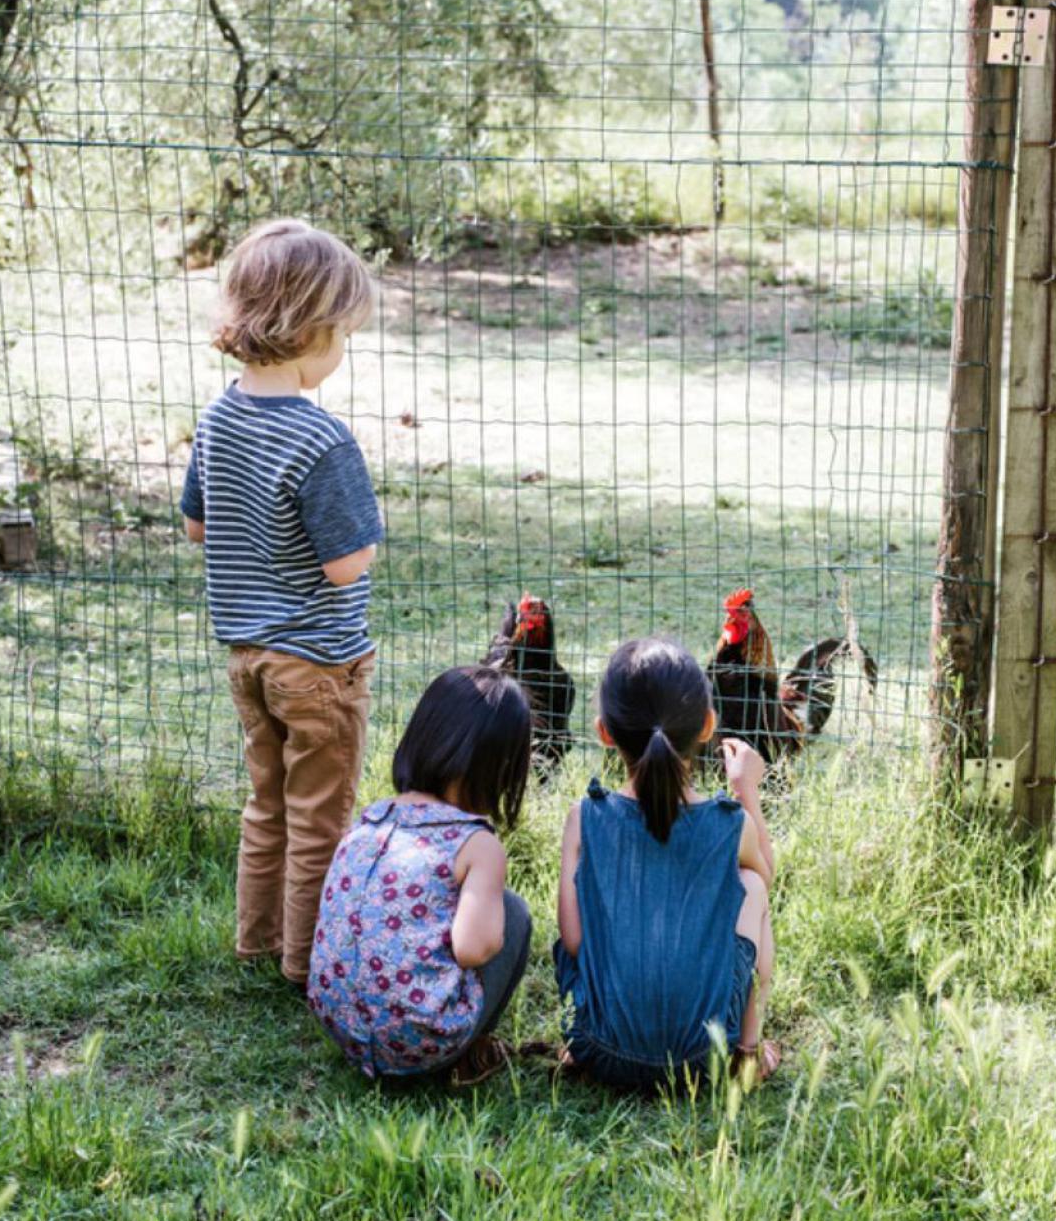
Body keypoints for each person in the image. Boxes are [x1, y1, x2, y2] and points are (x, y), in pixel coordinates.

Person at [180, 218, 382, 988]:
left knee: (267, 803)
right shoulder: (321, 439)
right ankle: (308, 964)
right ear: (309, 333)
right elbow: (344, 566)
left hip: (249, 661)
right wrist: (368, 530)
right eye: (342, 336)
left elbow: (198, 525)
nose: (342, 352)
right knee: (320, 818)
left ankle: (256, 941)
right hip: (320, 666)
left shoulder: (219, 417)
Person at [554, 637, 781, 1088]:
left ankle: (581, 1049)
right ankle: (747, 1055)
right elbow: (767, 877)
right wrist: (746, 791)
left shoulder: (585, 818)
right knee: (752, 885)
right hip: (703, 1058)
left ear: (604, 732)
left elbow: (574, 941)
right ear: (708, 726)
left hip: (598, 1050)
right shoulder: (729, 823)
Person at [308, 666, 536, 1085]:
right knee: (514, 913)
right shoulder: (476, 844)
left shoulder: (371, 821)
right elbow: (473, 948)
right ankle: (463, 1055)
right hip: (415, 1045)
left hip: (340, 1026)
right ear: (500, 768)